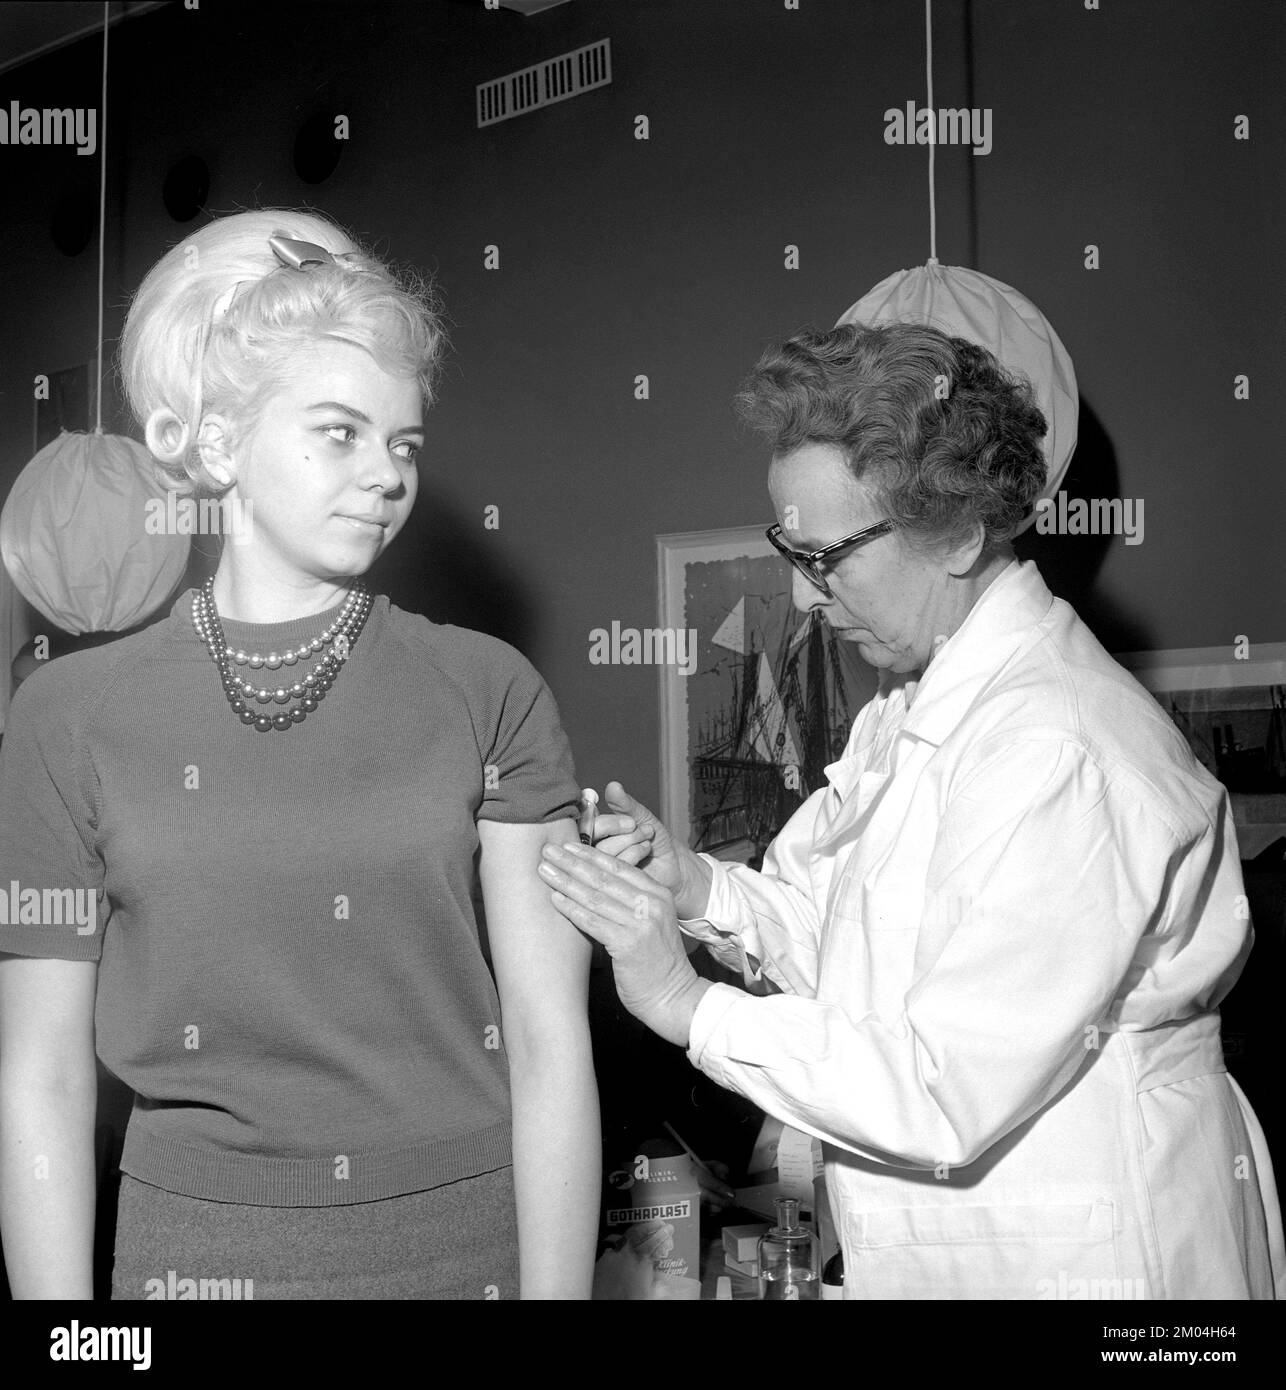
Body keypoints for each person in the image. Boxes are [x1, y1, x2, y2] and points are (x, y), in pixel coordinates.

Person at [539, 322, 1286, 1299]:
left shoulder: (1051, 752)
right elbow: (857, 951)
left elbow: (942, 1083)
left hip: (1094, 1264)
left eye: (824, 557)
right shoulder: (922, 708)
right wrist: (692, 886)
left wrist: (685, 1005)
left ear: (961, 532)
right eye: (787, 551)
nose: (805, 598)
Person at [0, 209, 598, 1299]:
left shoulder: (488, 689)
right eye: (339, 432)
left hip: (462, 1247)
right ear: (220, 445)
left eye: (404, 443)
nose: (385, 474)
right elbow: (40, 1075)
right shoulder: (67, 716)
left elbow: (552, 1047)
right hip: (190, 1257)